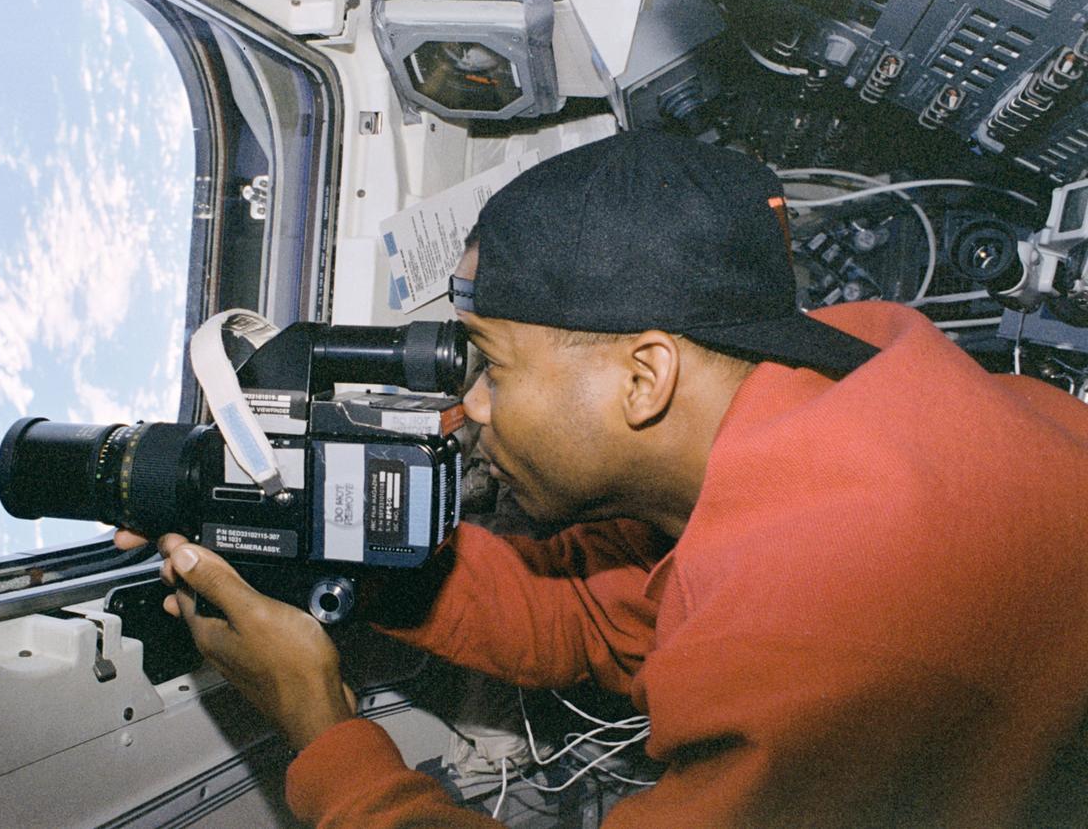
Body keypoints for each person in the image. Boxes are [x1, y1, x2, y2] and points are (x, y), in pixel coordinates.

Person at [120, 131, 1088, 826]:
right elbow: (592, 616)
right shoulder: (829, 383)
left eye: (491, 366)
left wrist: (321, 728)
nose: (472, 410)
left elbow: (763, 633)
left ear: (643, 375)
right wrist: (312, 546)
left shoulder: (817, 622)